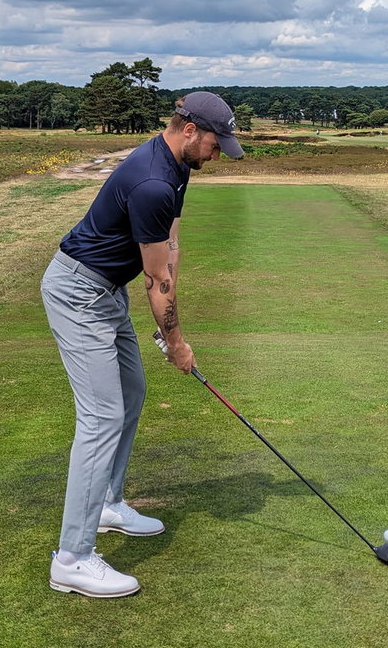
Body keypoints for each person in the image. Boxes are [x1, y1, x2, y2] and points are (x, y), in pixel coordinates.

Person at [41, 91, 244, 597]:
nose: (222, 153)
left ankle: (108, 503)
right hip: (78, 293)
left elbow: (167, 250)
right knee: (102, 416)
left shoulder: (175, 164)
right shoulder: (154, 180)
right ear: (191, 129)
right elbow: (156, 283)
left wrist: (169, 301)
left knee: (130, 395)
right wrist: (176, 342)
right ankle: (72, 558)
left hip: (106, 291)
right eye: (219, 142)